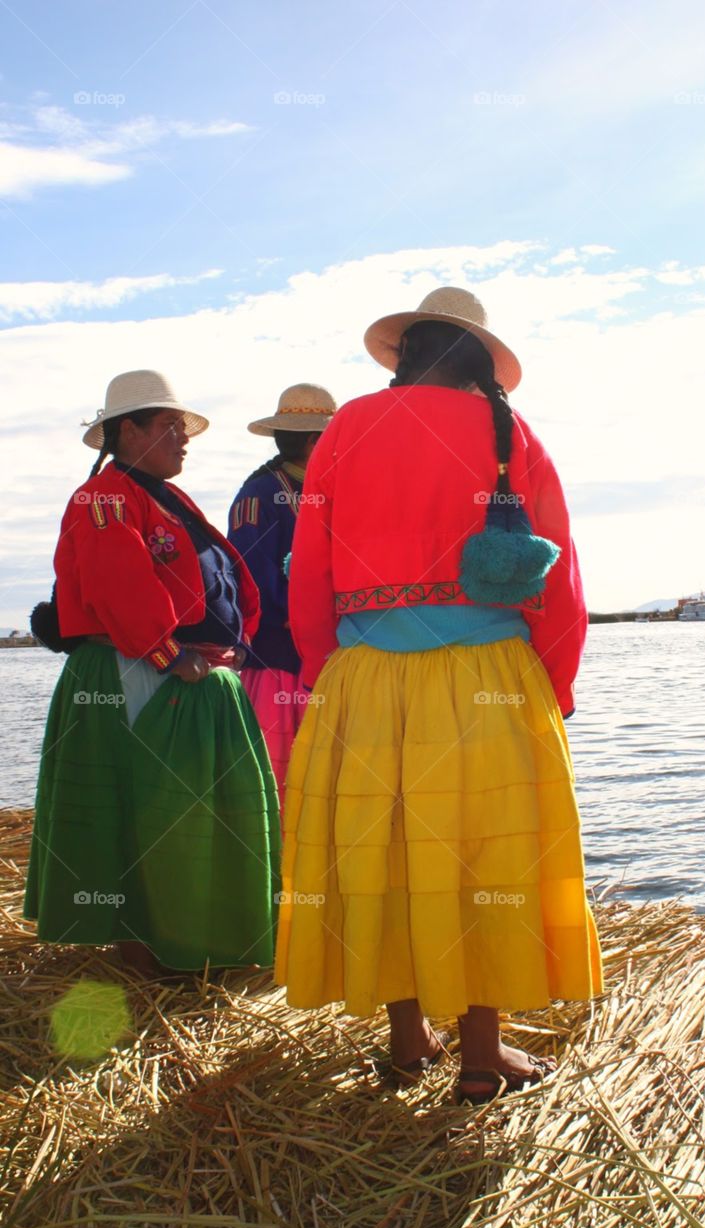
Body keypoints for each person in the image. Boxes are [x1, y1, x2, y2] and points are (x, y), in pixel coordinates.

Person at [273, 288, 603, 1102]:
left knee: (388, 852)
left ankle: (405, 1039)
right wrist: (554, 686)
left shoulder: (346, 427)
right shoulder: (510, 434)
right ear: (482, 365)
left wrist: (327, 669)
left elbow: (307, 566)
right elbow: (558, 580)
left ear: (405, 355)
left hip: (367, 681)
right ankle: (482, 1056)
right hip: (486, 677)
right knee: (482, 856)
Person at [24, 370, 280, 978]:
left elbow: (214, 579)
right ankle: (146, 955)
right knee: (148, 810)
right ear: (127, 431)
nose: (183, 439)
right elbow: (121, 584)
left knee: (183, 811)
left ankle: (191, 941)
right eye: (168, 426)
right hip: (135, 672)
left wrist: (235, 643)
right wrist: (172, 656)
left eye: (183, 428)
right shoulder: (106, 497)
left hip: (186, 674)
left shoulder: (167, 497)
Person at [228, 384, 336, 804]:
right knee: (280, 778)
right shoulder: (260, 494)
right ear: (314, 442)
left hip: (328, 655)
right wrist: (300, 614)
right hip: (279, 658)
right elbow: (250, 572)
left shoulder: (329, 491)